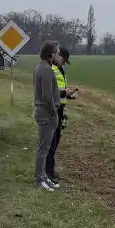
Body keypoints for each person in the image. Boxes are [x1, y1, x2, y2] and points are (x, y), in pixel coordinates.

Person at [45, 48, 79, 186]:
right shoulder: (50, 69)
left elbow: (58, 90)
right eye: (63, 60)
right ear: (57, 56)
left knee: (55, 143)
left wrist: (68, 94)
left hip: (59, 109)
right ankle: (46, 173)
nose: (64, 63)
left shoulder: (59, 69)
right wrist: (65, 93)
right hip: (51, 111)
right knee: (50, 144)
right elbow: (50, 91)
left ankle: (50, 170)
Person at [32, 41, 63, 191]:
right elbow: (46, 95)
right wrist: (53, 111)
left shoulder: (42, 67)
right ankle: (39, 179)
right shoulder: (45, 70)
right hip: (46, 113)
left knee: (45, 147)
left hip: (45, 112)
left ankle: (43, 176)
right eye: (56, 52)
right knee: (43, 149)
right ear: (50, 54)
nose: (58, 55)